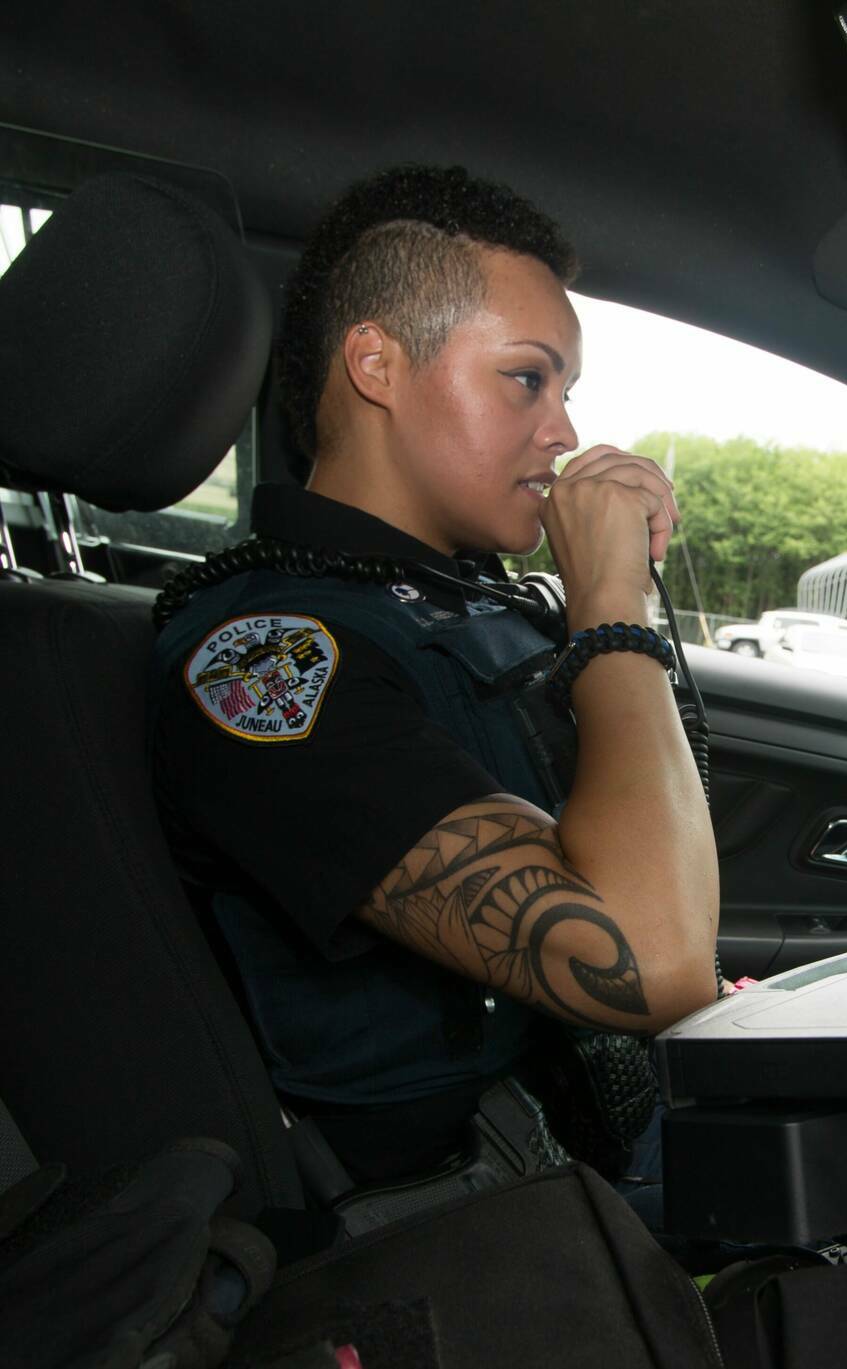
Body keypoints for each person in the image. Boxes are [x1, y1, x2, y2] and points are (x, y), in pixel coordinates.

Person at [150, 164, 720, 1192]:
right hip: (471, 1221)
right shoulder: (263, 658)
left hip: (593, 1147)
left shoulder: (465, 600)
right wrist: (609, 609)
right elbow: (643, 954)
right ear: (376, 361)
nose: (564, 434)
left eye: (566, 391)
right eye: (525, 378)